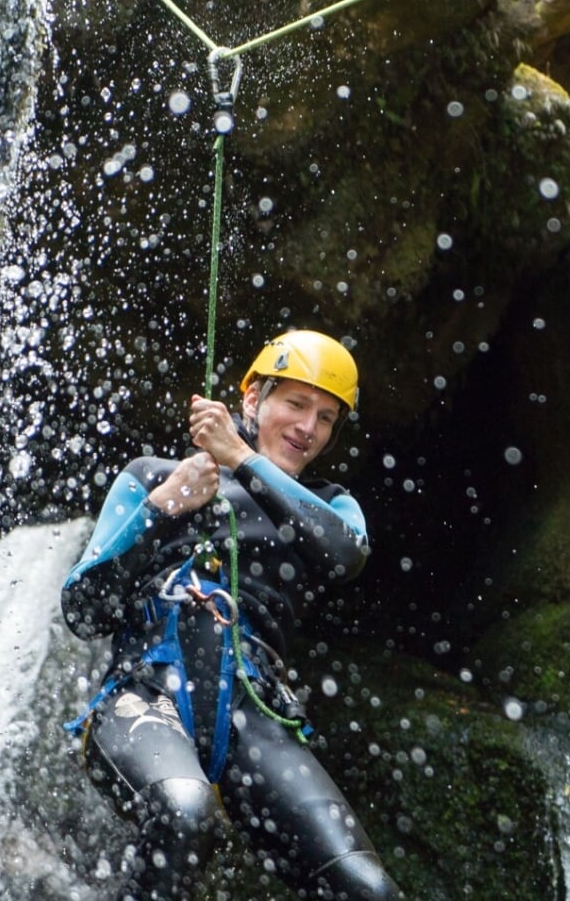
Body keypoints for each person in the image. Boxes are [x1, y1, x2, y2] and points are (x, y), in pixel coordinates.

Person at [61, 329, 402, 900]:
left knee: (365, 887)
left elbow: (342, 556)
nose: (307, 427)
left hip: (255, 716)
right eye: (295, 403)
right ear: (252, 401)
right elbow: (83, 608)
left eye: (325, 418)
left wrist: (241, 458)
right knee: (183, 809)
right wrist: (161, 509)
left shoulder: (331, 506)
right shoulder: (153, 476)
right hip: (144, 696)